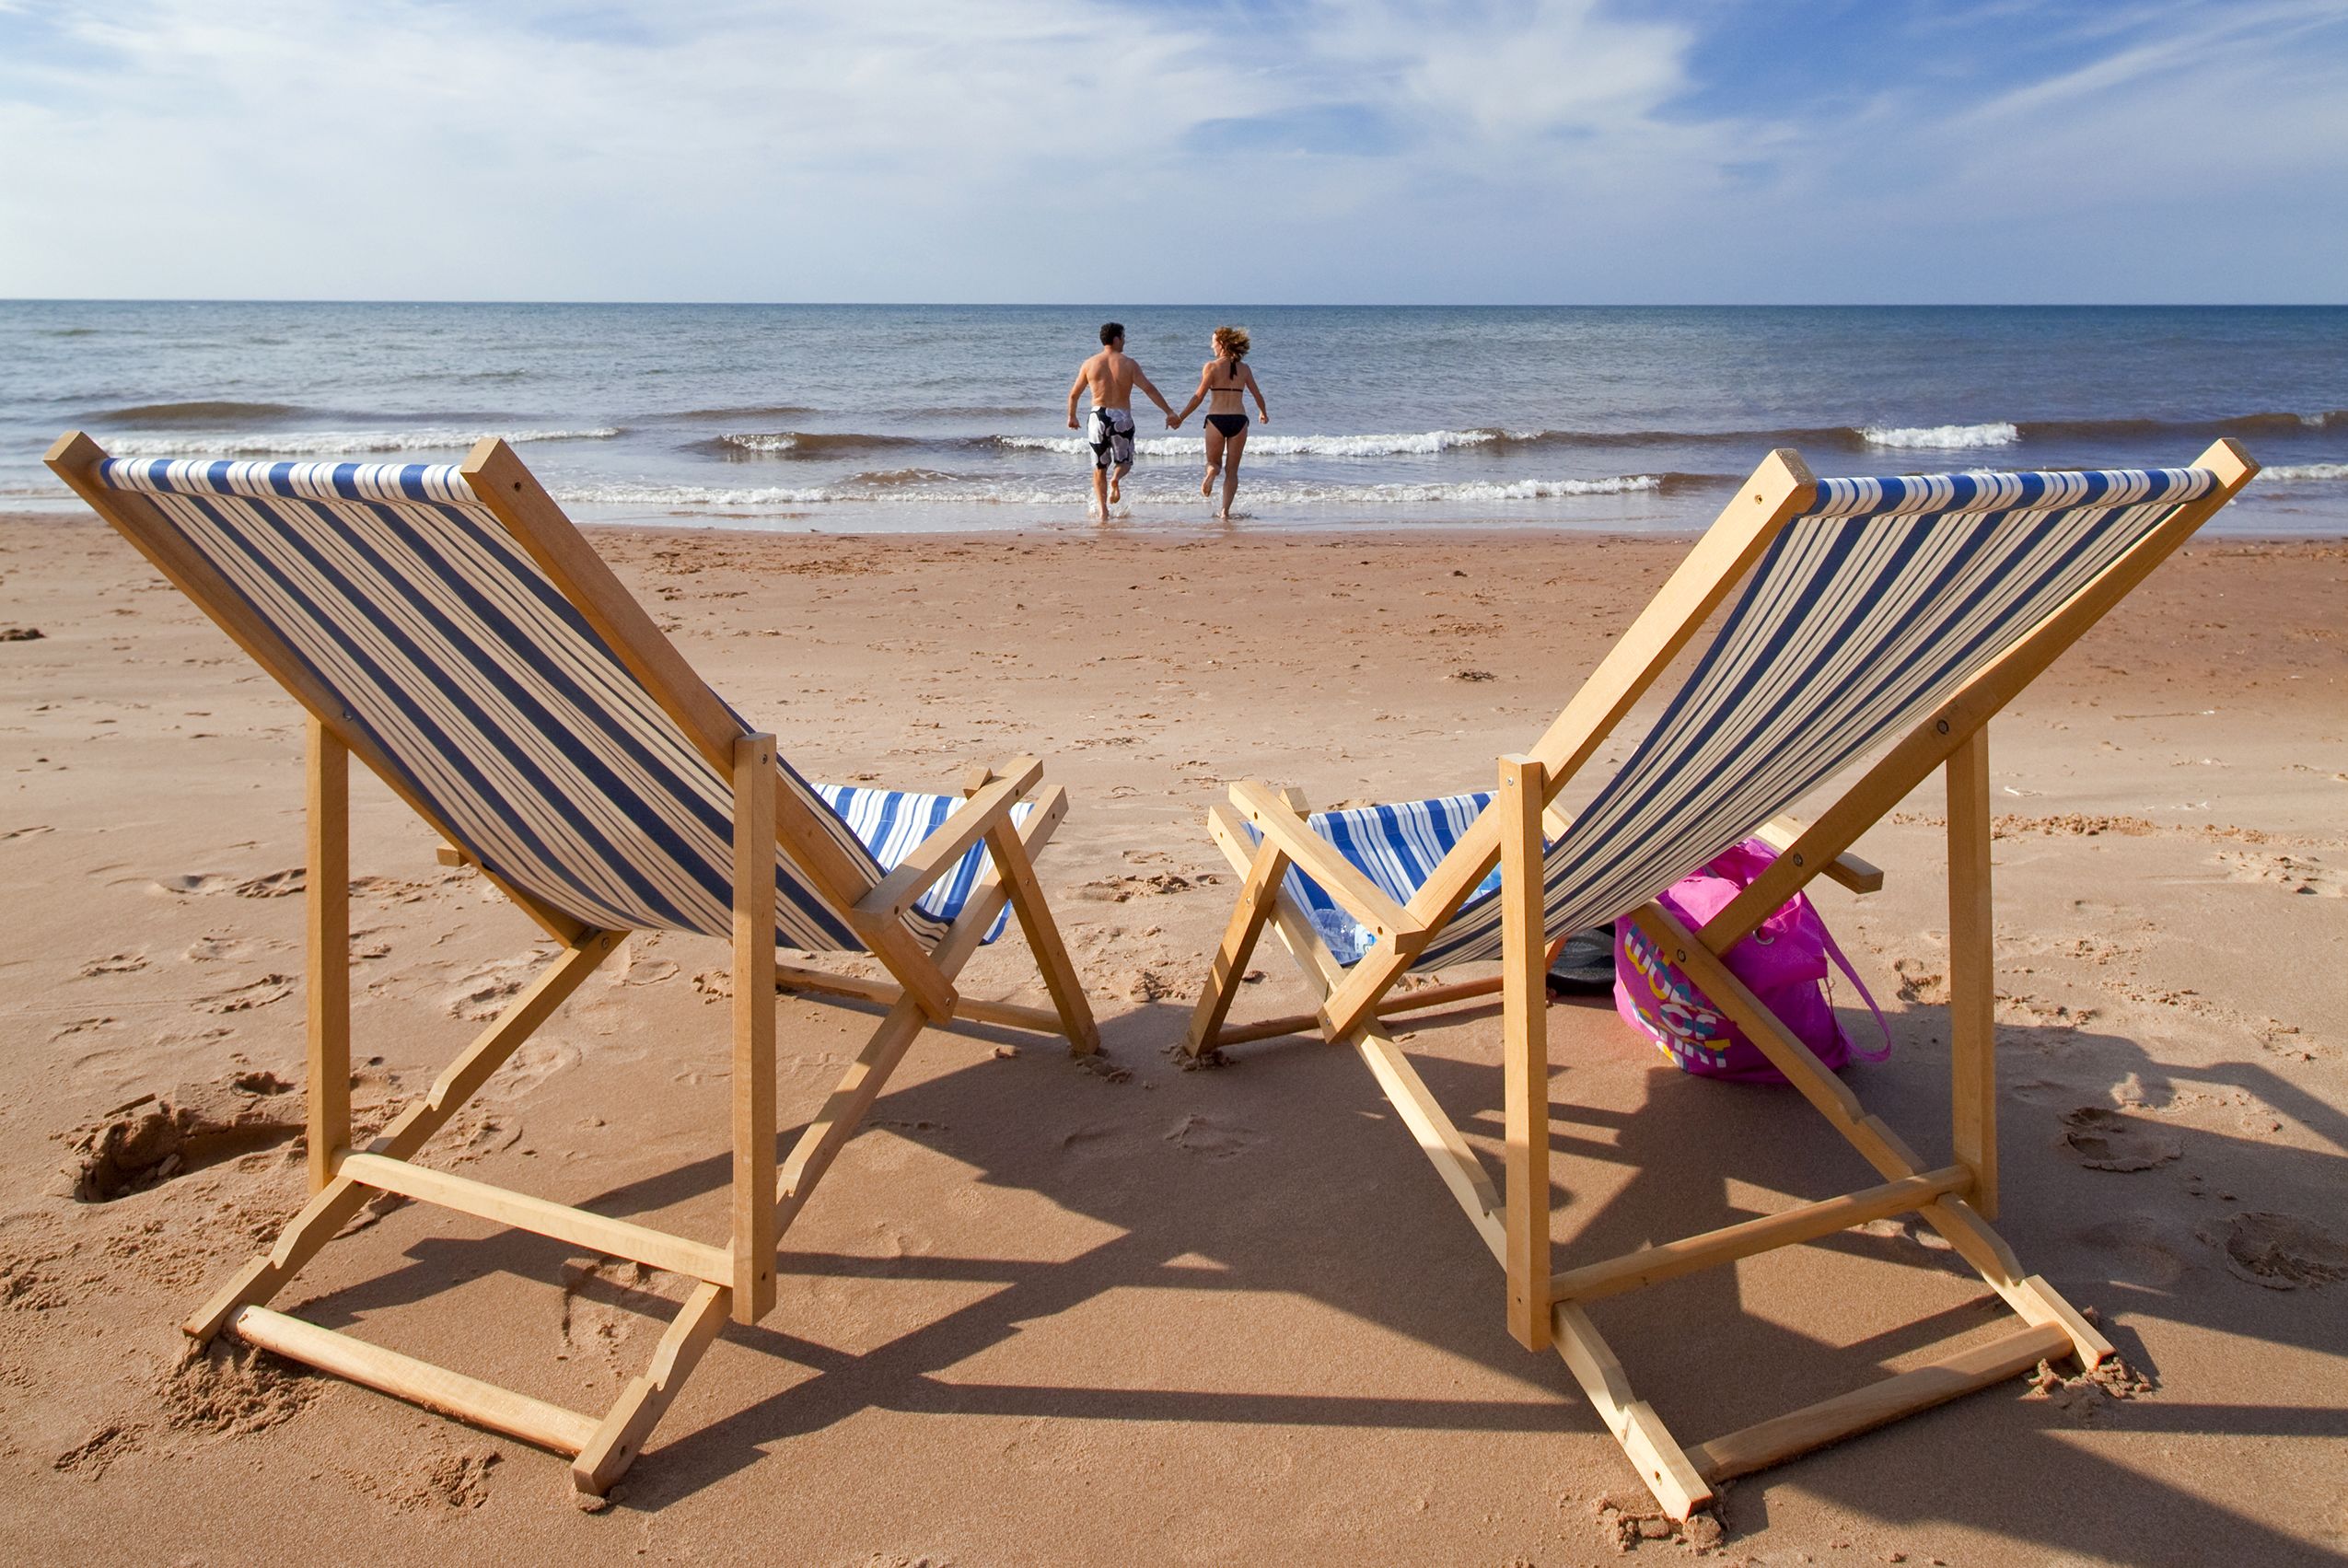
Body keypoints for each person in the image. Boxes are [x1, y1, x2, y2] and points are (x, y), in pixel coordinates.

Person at [1065, 322, 1176, 519]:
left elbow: (1074, 395)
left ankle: (1103, 511)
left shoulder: (1089, 363)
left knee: (1099, 467)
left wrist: (1072, 416)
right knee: (1124, 462)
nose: (1125, 340)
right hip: (1121, 416)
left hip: (1097, 417)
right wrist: (1168, 411)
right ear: (1116, 339)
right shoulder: (1128, 363)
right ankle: (1116, 479)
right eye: (1123, 337)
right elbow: (1149, 389)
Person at [1170, 326, 1269, 521]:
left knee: (1214, 463)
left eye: (1213, 341)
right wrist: (1263, 413)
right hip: (1239, 421)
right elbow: (1257, 395)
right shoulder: (1244, 369)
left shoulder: (1211, 367)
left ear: (1222, 344)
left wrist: (1181, 417)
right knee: (1232, 471)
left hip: (1216, 419)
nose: (1211, 345)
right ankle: (1225, 512)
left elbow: (1198, 397)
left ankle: (1211, 474)